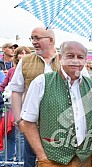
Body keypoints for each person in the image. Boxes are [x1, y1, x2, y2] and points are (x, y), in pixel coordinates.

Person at [19, 41, 92, 166]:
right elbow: (27, 122)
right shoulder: (42, 82)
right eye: (70, 56)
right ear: (60, 58)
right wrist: (42, 157)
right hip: (52, 159)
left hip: (84, 159)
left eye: (80, 57)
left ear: (85, 61)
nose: (75, 61)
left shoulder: (91, 85)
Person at [9, 27, 60, 167]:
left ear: (50, 40)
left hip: (60, 126)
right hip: (32, 125)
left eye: (37, 38)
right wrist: (19, 120)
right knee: (31, 162)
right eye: (32, 38)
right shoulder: (25, 61)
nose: (33, 42)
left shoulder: (66, 60)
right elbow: (16, 91)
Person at [0, 46, 31, 166]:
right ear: (17, 56)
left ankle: (20, 161)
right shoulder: (12, 71)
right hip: (10, 109)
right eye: (20, 53)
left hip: (24, 109)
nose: (23, 55)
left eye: (25, 53)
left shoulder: (31, 70)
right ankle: (9, 163)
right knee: (10, 136)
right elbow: (3, 86)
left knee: (21, 137)